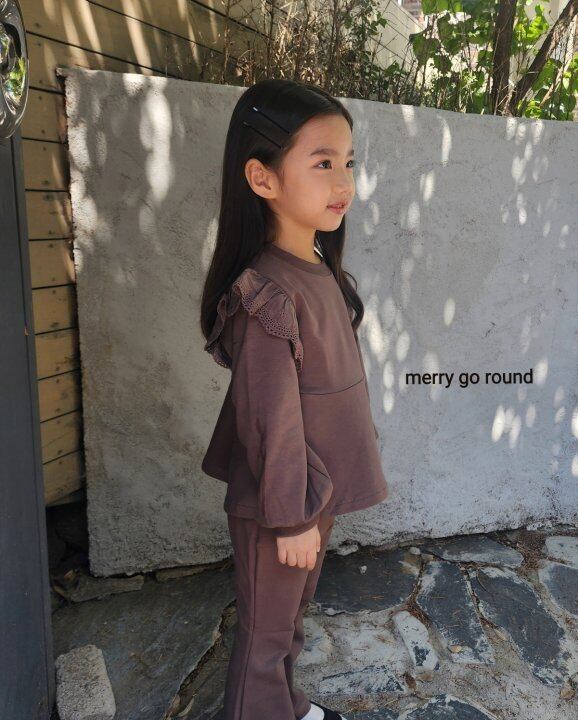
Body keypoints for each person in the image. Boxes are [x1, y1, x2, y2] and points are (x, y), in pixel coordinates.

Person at [199, 78, 390, 720]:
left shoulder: (316, 269)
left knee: (291, 615)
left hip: (315, 488)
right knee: (265, 633)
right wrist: (291, 519)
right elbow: (269, 418)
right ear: (262, 178)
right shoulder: (266, 295)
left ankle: (285, 705)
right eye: (323, 163)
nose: (344, 182)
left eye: (349, 163)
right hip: (285, 498)